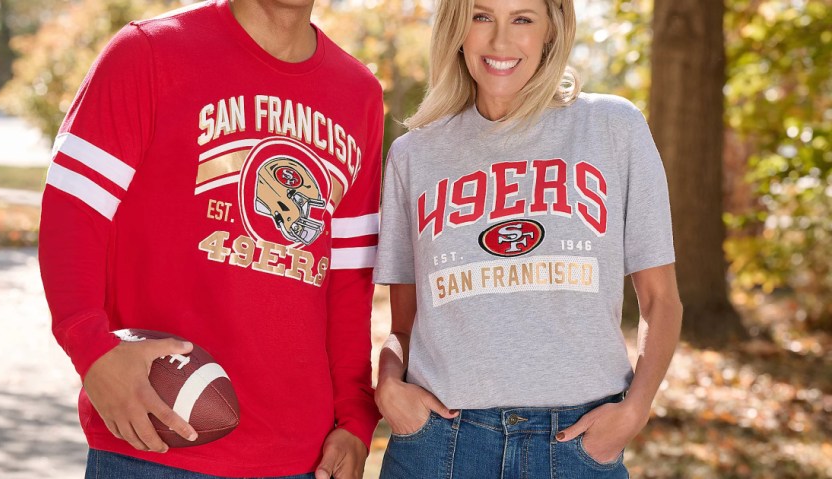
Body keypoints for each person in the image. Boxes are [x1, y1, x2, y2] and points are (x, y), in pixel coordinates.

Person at [39, 0, 384, 477]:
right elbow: (72, 210)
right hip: (154, 438)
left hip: (301, 456)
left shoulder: (358, 92)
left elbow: (348, 276)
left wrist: (355, 415)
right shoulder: (149, 51)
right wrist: (91, 349)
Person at [372, 0, 682, 477]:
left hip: (579, 443)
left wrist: (634, 411)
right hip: (441, 444)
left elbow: (661, 301)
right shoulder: (414, 155)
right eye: (481, 17)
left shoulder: (611, 128)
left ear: (551, 30)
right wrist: (388, 384)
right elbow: (404, 327)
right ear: (457, 28)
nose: (500, 41)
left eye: (522, 18)